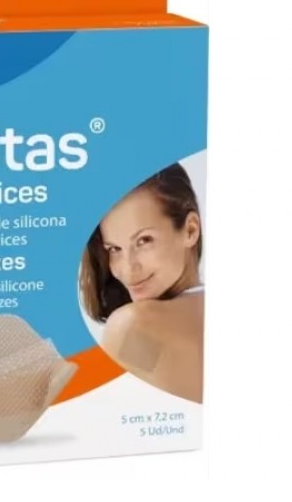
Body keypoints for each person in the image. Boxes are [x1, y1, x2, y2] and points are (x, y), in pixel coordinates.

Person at [79, 163, 204, 403]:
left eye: (144, 240)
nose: (128, 268)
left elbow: (86, 417)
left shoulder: (133, 326)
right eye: (114, 249)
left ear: (190, 230)